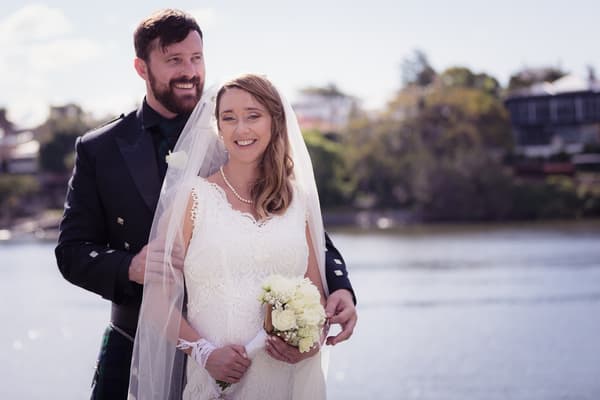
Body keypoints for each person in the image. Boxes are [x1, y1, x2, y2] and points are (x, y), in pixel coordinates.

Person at [55, 9, 356, 400]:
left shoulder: (233, 131)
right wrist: (130, 266)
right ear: (141, 67)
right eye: (174, 60)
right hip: (137, 342)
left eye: (196, 58)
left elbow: (301, 230)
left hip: (258, 356)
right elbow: (71, 251)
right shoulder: (101, 149)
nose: (189, 71)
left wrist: (341, 288)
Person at [130, 73, 332, 399]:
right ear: (218, 128)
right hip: (217, 385)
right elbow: (156, 304)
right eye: (229, 118)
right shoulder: (192, 199)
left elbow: (317, 297)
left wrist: (309, 345)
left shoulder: (300, 201)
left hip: (289, 383)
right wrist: (205, 353)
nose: (241, 129)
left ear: (274, 122)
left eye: (253, 116)